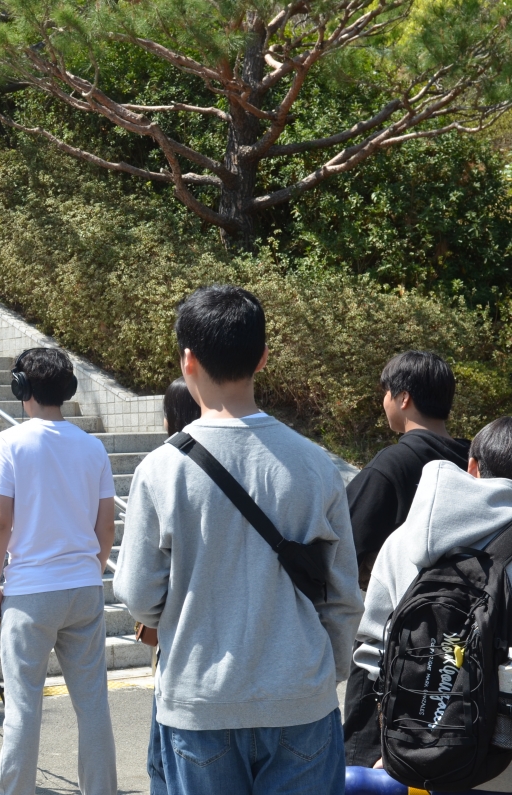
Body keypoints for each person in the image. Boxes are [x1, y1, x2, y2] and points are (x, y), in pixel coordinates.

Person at [115, 285, 363, 795]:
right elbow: (343, 594)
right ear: (263, 357)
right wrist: (326, 673)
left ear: (188, 360)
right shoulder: (316, 465)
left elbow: (138, 594)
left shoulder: (161, 470)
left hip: (200, 702)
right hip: (300, 698)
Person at [0, 347, 119, 795]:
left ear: (21, 387)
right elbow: (106, 527)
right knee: (93, 704)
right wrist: (91, 568)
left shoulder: (10, 442)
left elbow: (0, 522)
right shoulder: (92, 446)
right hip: (84, 587)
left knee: (23, 706)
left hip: (31, 591)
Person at [354, 417, 512, 790]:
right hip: (499, 762)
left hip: (418, 751)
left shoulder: (403, 540)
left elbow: (371, 653)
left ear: (472, 466)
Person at [342, 351, 470, 767]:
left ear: (403, 398)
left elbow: (341, 548)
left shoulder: (392, 465)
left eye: (385, 393)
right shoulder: (474, 463)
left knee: (369, 769)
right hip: (462, 651)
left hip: (391, 653)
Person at [144, 377, 202, 795]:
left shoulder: (163, 467)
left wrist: (154, 616)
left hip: (183, 658)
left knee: (163, 763)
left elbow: (138, 590)